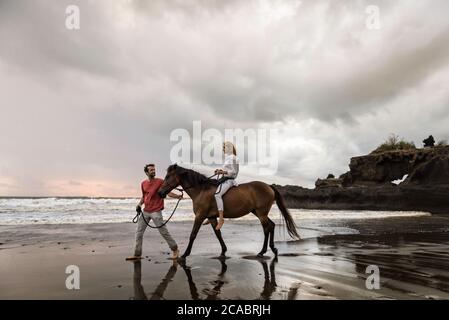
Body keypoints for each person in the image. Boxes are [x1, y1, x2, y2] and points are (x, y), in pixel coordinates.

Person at [126, 164, 182, 261]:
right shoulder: (143, 183)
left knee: (163, 232)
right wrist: (139, 204)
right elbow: (144, 196)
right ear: (147, 172)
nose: (153, 171)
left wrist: (177, 196)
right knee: (139, 233)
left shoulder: (160, 181)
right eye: (151, 170)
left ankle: (175, 249)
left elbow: (167, 192)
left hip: (156, 210)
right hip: (146, 211)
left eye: (154, 169)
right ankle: (137, 254)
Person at [211, 141, 239, 230]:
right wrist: (219, 170)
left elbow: (233, 172)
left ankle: (221, 219)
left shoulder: (233, 158)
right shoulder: (229, 158)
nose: (223, 149)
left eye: (224, 148)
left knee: (217, 195)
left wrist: (222, 172)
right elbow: (227, 169)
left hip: (229, 181)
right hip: (224, 179)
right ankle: (213, 215)